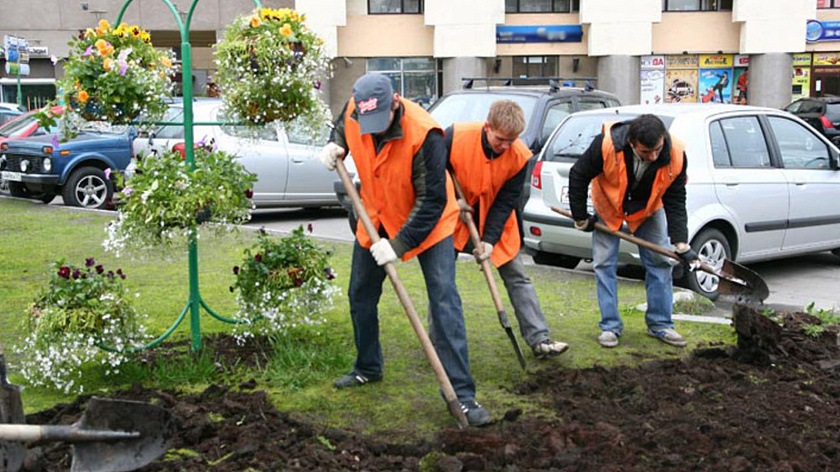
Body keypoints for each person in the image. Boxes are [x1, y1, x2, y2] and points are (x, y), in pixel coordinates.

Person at [319, 73, 491, 426]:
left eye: (380, 122)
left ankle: (463, 395)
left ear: (395, 101)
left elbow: (431, 202)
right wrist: (334, 145)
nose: (375, 130)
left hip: (430, 226)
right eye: (367, 122)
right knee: (360, 295)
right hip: (375, 217)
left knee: (444, 301)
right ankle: (368, 367)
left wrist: (397, 246)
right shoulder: (354, 110)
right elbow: (341, 130)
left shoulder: (426, 134)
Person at [445, 100, 569, 359]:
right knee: (442, 282)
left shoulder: (520, 156)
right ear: (487, 127)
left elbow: (506, 201)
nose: (505, 146)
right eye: (500, 139)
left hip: (496, 220)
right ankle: (443, 345)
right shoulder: (455, 137)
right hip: (453, 218)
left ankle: (540, 339)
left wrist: (489, 240)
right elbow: (433, 173)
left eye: (511, 141)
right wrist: (452, 201)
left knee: (517, 277)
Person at [567, 114, 700, 349]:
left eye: (657, 149)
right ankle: (610, 327)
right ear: (631, 143)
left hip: (649, 208)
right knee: (604, 264)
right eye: (646, 152)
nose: (653, 156)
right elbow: (578, 174)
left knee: (660, 262)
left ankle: (660, 324)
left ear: (663, 139)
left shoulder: (676, 154)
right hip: (609, 205)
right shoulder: (607, 145)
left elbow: (676, 199)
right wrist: (580, 216)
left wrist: (680, 243)